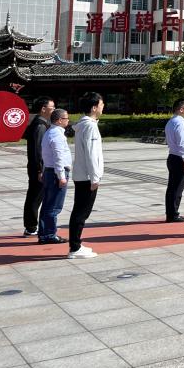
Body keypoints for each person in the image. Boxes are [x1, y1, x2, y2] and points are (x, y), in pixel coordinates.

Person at [68, 92, 104, 259]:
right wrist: (95, 177)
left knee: (80, 211)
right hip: (87, 177)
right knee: (81, 212)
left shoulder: (83, 125)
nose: (103, 107)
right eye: (101, 104)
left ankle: (76, 244)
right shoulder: (90, 126)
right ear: (94, 107)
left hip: (82, 175)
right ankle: (75, 247)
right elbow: (91, 153)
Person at [38, 108, 71, 244]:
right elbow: (58, 157)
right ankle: (50, 234)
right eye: (66, 118)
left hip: (49, 171)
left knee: (47, 204)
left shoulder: (49, 132)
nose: (68, 120)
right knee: (54, 206)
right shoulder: (57, 135)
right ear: (59, 120)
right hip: (55, 173)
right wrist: (61, 176)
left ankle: (44, 233)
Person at [21, 96, 53, 237]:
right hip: (38, 168)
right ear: (43, 109)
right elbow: (38, 150)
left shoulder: (41, 123)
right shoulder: (40, 125)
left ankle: (31, 225)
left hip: (37, 166)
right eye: (52, 107)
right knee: (35, 196)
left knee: (35, 195)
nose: (54, 110)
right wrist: (40, 169)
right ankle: (31, 226)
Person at [164, 99, 184, 222]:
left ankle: (170, 213)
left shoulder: (170, 122)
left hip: (172, 156)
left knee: (171, 188)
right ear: (181, 109)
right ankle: (174, 214)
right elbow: (182, 144)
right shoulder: (179, 123)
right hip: (179, 158)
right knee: (177, 188)